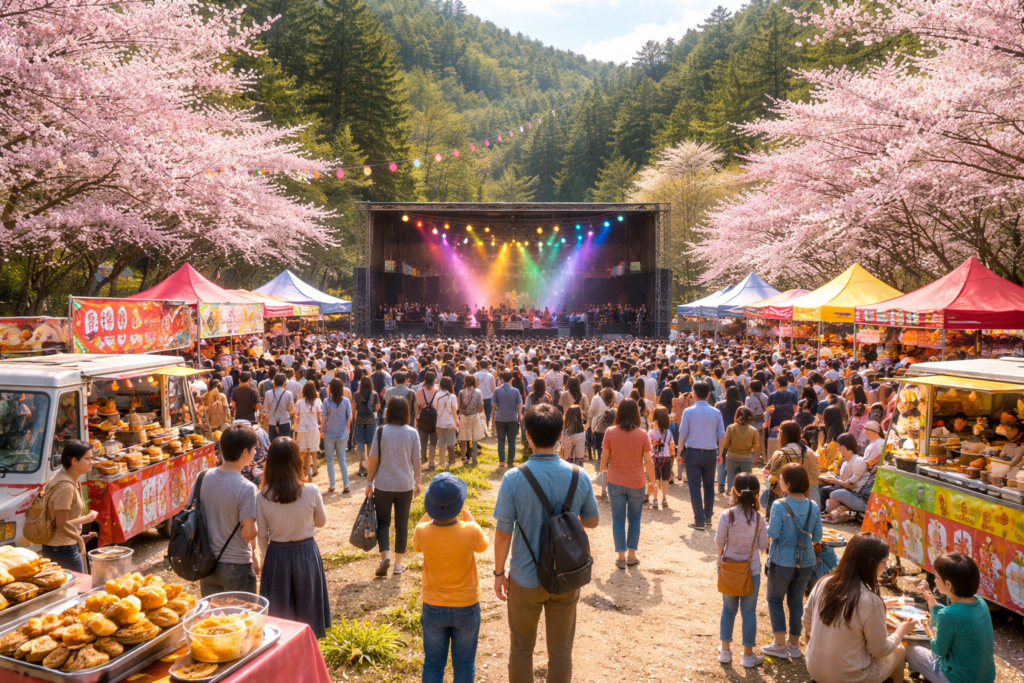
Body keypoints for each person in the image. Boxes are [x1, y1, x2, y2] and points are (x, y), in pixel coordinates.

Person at [493, 404, 599, 683]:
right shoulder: (579, 475)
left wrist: (498, 573)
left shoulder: (513, 478)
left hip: (526, 578)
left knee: (521, 649)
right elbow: (592, 521)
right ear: (560, 435)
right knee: (562, 651)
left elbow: (503, 533)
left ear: (527, 436)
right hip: (566, 576)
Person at [803, 532, 917, 683]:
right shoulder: (871, 601)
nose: (886, 567)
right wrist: (901, 631)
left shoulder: (824, 583)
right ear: (872, 563)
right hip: (852, 678)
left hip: (815, 670)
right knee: (899, 651)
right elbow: (880, 651)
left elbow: (806, 622)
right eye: (885, 562)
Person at [413, 473, 489, 683]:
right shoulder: (470, 530)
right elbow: (483, 545)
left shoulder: (422, 531)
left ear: (430, 505)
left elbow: (416, 542)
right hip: (466, 605)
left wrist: (430, 513)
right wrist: (467, 513)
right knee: (464, 665)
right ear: (460, 502)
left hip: (433, 606)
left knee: (433, 664)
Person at [256, 437, 330, 638]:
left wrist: (267, 556)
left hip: (276, 554)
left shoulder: (262, 496)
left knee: (280, 617)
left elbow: (262, 536)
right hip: (306, 553)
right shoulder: (311, 490)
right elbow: (321, 522)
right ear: (297, 460)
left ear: (270, 462)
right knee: (308, 609)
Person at [188, 424, 260, 597]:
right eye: (253, 449)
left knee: (215, 620)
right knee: (242, 620)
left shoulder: (202, 476)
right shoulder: (247, 487)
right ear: (244, 452)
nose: (255, 453)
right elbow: (248, 533)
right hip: (237, 565)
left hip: (207, 563)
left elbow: (192, 511)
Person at [761, 462, 822, 660]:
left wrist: (764, 523)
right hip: (806, 561)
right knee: (796, 603)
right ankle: (794, 647)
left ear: (787, 483)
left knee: (775, 600)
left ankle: (779, 645)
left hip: (782, 560)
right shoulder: (813, 506)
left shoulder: (780, 504)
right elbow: (817, 536)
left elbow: (773, 533)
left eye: (782, 479)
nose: (779, 482)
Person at [907, 553, 996, 683]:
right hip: (986, 677)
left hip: (959, 679)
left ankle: (926, 676)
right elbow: (956, 613)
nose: (935, 579)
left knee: (911, 648)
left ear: (948, 585)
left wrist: (928, 630)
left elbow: (939, 650)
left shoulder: (949, 615)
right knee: (924, 642)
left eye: (937, 577)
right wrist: (931, 601)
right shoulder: (980, 602)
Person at [715, 472, 769, 669]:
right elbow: (763, 545)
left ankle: (725, 650)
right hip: (751, 570)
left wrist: (719, 560)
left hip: (729, 568)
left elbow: (719, 541)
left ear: (734, 491)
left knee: (728, 610)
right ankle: (747, 655)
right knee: (749, 613)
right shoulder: (759, 518)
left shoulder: (726, 515)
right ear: (757, 493)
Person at [366, 396, 423, 577]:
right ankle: (398, 565)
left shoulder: (381, 431)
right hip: (405, 485)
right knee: (402, 525)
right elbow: (417, 460)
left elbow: (373, 458)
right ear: (407, 412)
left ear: (388, 412)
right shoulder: (412, 433)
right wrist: (418, 481)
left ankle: (385, 556)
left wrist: (369, 481)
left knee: (383, 522)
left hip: (383, 484)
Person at [599, 399, 656, 567]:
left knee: (617, 518)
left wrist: (602, 473)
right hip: (636, 481)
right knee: (635, 518)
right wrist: (653, 482)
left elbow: (604, 457)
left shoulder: (610, 431)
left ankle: (621, 557)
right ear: (636, 414)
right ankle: (632, 554)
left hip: (615, 480)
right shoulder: (643, 434)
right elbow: (649, 461)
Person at [39, 440, 98, 572]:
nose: (91, 462)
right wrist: (88, 518)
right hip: (63, 548)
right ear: (74, 461)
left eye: (92, 458)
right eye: (87, 459)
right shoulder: (66, 486)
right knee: (78, 589)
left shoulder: (64, 476)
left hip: (57, 545)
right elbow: (61, 524)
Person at [677, 381, 725, 531]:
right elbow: (721, 435)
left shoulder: (688, 412)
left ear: (693, 394)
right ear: (709, 394)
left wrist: (678, 453)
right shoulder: (716, 412)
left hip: (693, 452)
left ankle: (699, 520)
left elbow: (682, 435)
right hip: (711, 452)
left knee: (695, 486)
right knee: (710, 486)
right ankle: (708, 517)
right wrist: (721, 453)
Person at [766, 421, 821, 516]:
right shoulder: (810, 452)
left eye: (779, 432)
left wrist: (767, 477)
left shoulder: (781, 454)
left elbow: (773, 475)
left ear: (783, 435)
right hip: (810, 499)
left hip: (785, 499)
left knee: (768, 487)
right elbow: (816, 476)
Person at [719, 406, 761, 494]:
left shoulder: (730, 428)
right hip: (746, 458)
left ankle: (731, 495)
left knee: (730, 476)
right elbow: (756, 446)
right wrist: (755, 459)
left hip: (731, 456)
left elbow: (726, 444)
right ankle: (744, 496)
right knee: (746, 479)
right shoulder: (753, 430)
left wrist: (721, 455)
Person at [322, 378, 352, 494]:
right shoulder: (346, 401)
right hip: (342, 433)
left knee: (330, 460)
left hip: (329, 433)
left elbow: (323, 418)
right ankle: (346, 484)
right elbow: (350, 416)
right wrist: (347, 427)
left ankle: (332, 485)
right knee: (342, 459)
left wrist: (321, 429)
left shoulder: (326, 402)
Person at [492, 370, 523, 468]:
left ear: (501, 379)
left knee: (501, 441)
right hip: (512, 418)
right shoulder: (516, 391)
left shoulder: (497, 390)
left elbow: (493, 405)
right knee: (512, 441)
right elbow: (519, 405)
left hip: (500, 418)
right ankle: (510, 462)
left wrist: (493, 416)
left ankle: (501, 462)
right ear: (511, 379)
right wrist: (519, 417)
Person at [294, 381, 323, 483]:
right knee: (314, 451)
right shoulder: (317, 402)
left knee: (304, 452)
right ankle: (314, 470)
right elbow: (319, 417)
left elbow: (296, 417)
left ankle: (306, 471)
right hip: (314, 429)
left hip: (302, 430)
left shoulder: (299, 403)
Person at [353, 375, 381, 477]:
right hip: (371, 422)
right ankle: (370, 467)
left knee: (360, 445)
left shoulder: (356, 395)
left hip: (360, 422)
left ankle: (362, 466)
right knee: (370, 445)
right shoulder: (374, 394)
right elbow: (377, 407)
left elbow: (353, 410)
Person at [648, 406, 674, 508]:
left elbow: (648, 446)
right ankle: (664, 499)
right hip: (666, 458)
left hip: (654, 458)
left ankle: (655, 499)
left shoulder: (650, 432)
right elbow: (671, 444)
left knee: (655, 479)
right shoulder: (668, 432)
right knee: (665, 479)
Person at [457, 374, 485, 465]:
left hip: (464, 416)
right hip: (474, 416)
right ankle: (474, 458)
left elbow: (459, 406)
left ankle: (463, 457)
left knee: (463, 437)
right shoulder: (478, 392)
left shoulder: (461, 392)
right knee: (474, 438)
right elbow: (480, 405)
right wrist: (479, 410)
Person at [433, 376, 460, 469]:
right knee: (451, 442)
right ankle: (451, 461)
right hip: (450, 422)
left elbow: (435, 407)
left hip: (440, 421)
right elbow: (454, 411)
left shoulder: (437, 395)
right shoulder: (452, 396)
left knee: (441, 443)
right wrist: (457, 422)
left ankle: (441, 462)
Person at [415, 371, 441, 468]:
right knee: (433, 441)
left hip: (423, 418)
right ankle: (431, 462)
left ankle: (422, 460)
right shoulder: (437, 391)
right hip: (434, 419)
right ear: (434, 379)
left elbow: (418, 406)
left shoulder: (419, 391)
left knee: (423, 441)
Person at [264, 372, 296, 441]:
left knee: (273, 444)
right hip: (285, 422)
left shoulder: (268, 393)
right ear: (284, 382)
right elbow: (291, 410)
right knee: (285, 444)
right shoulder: (288, 394)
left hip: (272, 423)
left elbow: (266, 410)